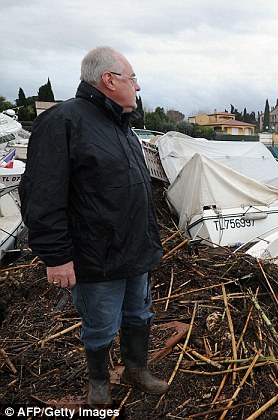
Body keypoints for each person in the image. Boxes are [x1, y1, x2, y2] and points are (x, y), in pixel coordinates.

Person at [19, 46, 167, 407]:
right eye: (132, 79)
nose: (138, 86)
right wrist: (56, 257)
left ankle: (137, 370)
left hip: (134, 250)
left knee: (139, 314)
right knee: (100, 324)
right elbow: (41, 194)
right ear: (109, 80)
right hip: (95, 255)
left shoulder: (121, 125)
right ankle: (99, 382)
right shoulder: (64, 121)